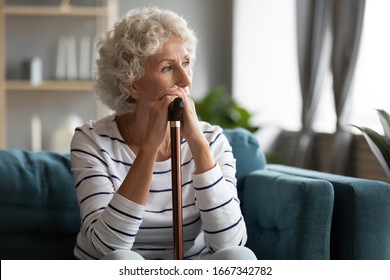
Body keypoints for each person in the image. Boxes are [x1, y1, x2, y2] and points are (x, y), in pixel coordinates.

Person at [71, 6, 256, 260]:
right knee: (122, 260)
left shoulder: (212, 140)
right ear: (132, 83)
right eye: (168, 68)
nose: (186, 80)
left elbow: (230, 241)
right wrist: (150, 147)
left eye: (186, 63)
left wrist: (198, 144)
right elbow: (107, 247)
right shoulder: (92, 141)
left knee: (239, 258)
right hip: (122, 268)